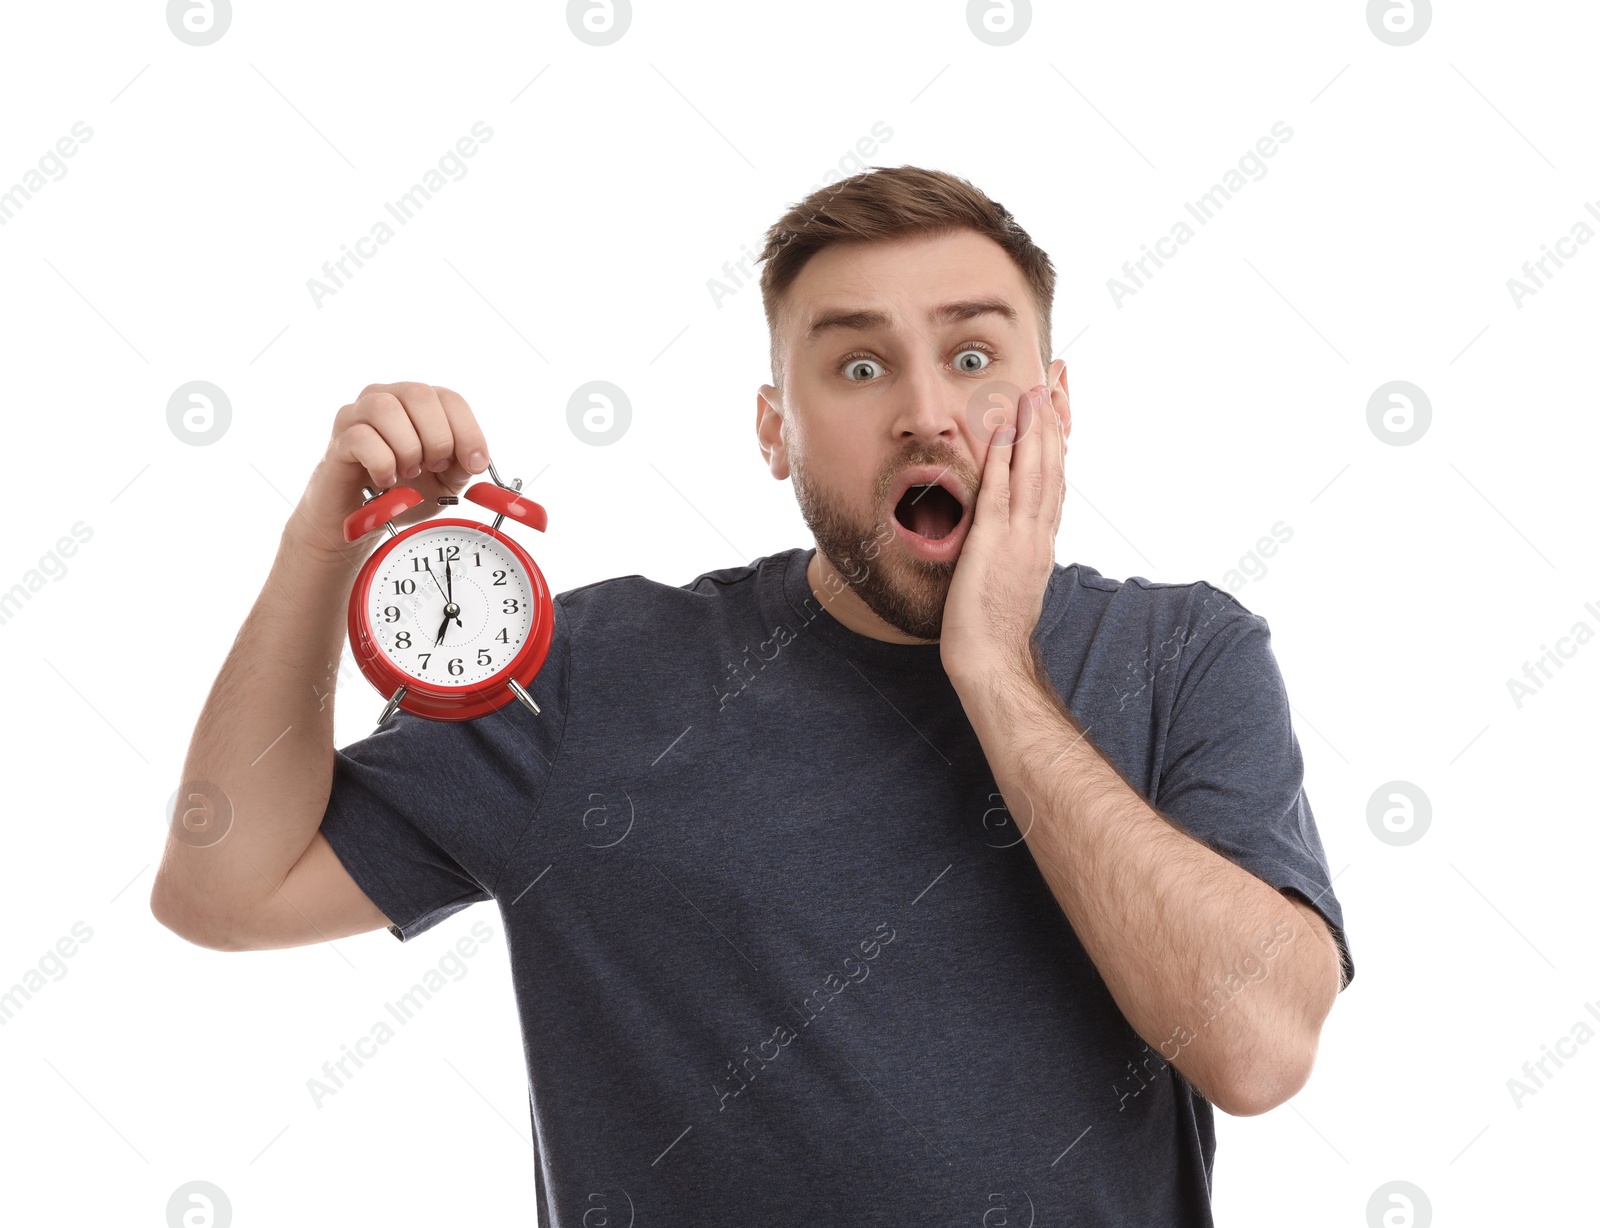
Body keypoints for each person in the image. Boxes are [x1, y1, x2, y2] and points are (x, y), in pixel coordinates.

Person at [153, 165, 1353, 1227]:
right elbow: (224, 885)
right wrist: (322, 547)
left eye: (975, 355)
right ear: (774, 429)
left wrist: (992, 668)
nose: (926, 410)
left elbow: (1252, 1050)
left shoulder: (1183, 652)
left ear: (1059, 408)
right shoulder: (589, 673)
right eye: (858, 364)